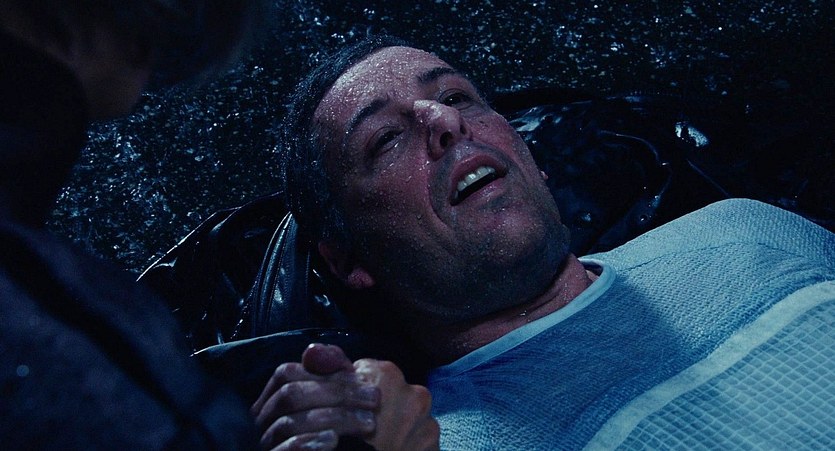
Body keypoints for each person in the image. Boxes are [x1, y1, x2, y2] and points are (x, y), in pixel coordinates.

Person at [271, 35, 835, 449]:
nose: (444, 120)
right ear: (349, 259)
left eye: (458, 97)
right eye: (387, 138)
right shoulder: (434, 443)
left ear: (532, 159)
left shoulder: (744, 228)